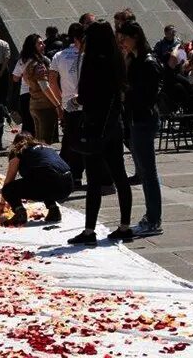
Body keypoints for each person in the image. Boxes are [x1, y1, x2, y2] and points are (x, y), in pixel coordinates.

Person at [67, 21, 133, 246]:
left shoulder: (91, 61)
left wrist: (76, 100)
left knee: (93, 179)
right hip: (114, 124)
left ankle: (89, 230)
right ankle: (125, 226)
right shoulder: (117, 60)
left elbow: (84, 96)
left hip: (95, 124)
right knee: (120, 175)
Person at [118, 21, 164, 237]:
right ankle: (151, 215)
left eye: (124, 38)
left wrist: (129, 93)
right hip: (136, 118)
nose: (122, 43)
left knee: (148, 170)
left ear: (135, 36)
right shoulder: (136, 60)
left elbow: (149, 94)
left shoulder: (147, 62)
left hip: (144, 118)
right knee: (144, 170)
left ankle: (154, 218)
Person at [0, 133, 72, 226]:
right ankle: (54, 211)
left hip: (50, 182)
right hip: (67, 185)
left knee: (8, 189)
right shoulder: (45, 147)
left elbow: (9, 180)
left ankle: (20, 213)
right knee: (42, 177)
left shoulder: (19, 151)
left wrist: (2, 204)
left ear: (16, 143)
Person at [48, 22, 85, 189]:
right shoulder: (87, 55)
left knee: (69, 141)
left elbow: (52, 80)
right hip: (85, 103)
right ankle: (77, 176)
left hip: (68, 105)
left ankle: (65, 173)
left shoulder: (59, 56)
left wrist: (59, 101)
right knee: (84, 141)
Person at [22, 35, 62, 144]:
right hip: (45, 107)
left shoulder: (28, 63)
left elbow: (25, 79)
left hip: (34, 105)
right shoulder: (39, 65)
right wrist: (58, 105)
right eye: (40, 43)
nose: (43, 45)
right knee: (45, 142)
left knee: (39, 141)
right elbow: (45, 87)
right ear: (32, 47)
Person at [12, 35, 40, 134]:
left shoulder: (22, 61)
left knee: (28, 122)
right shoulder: (41, 60)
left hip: (25, 93)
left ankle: (27, 145)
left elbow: (15, 78)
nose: (43, 45)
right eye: (40, 43)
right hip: (39, 93)